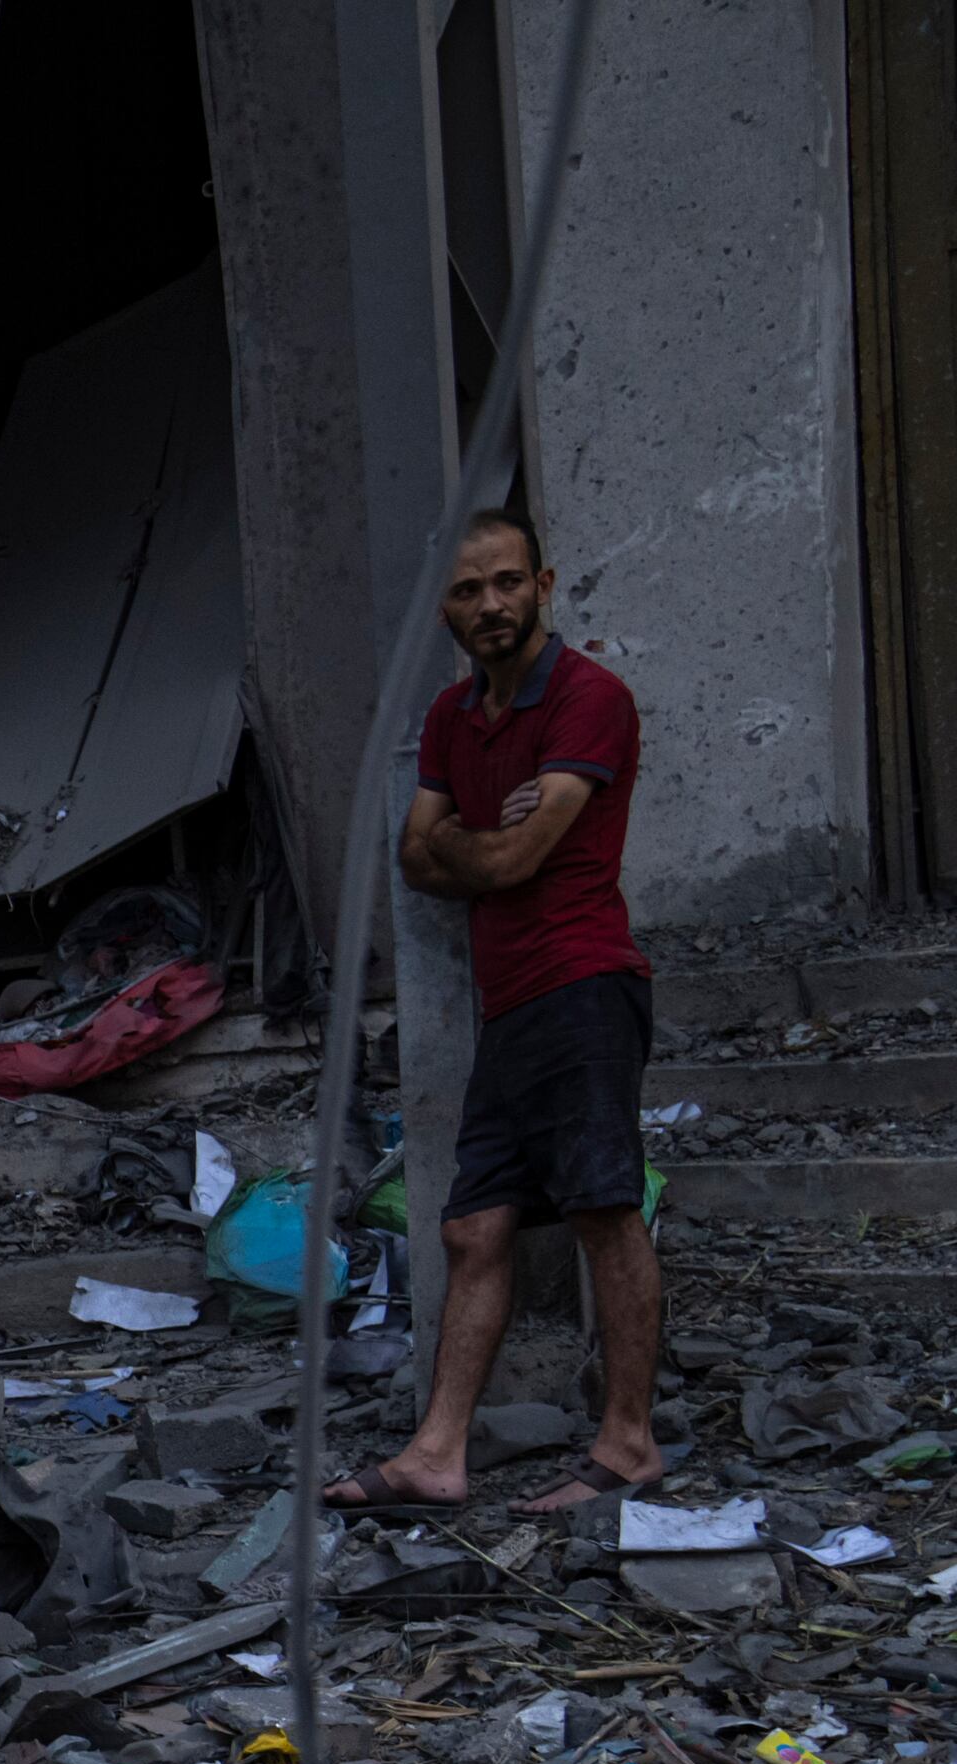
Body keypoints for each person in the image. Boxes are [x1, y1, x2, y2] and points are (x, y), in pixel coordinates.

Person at [328, 507, 662, 1519]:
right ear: (446, 608)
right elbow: (414, 858)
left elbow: (499, 861)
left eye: (506, 582)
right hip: (509, 1005)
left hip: (582, 983)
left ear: (542, 583)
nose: (491, 605)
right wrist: (484, 831)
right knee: (473, 1230)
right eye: (469, 591)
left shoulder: (588, 698)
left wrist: (463, 845)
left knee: (601, 1212)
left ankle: (628, 1442)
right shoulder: (446, 719)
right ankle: (436, 1453)